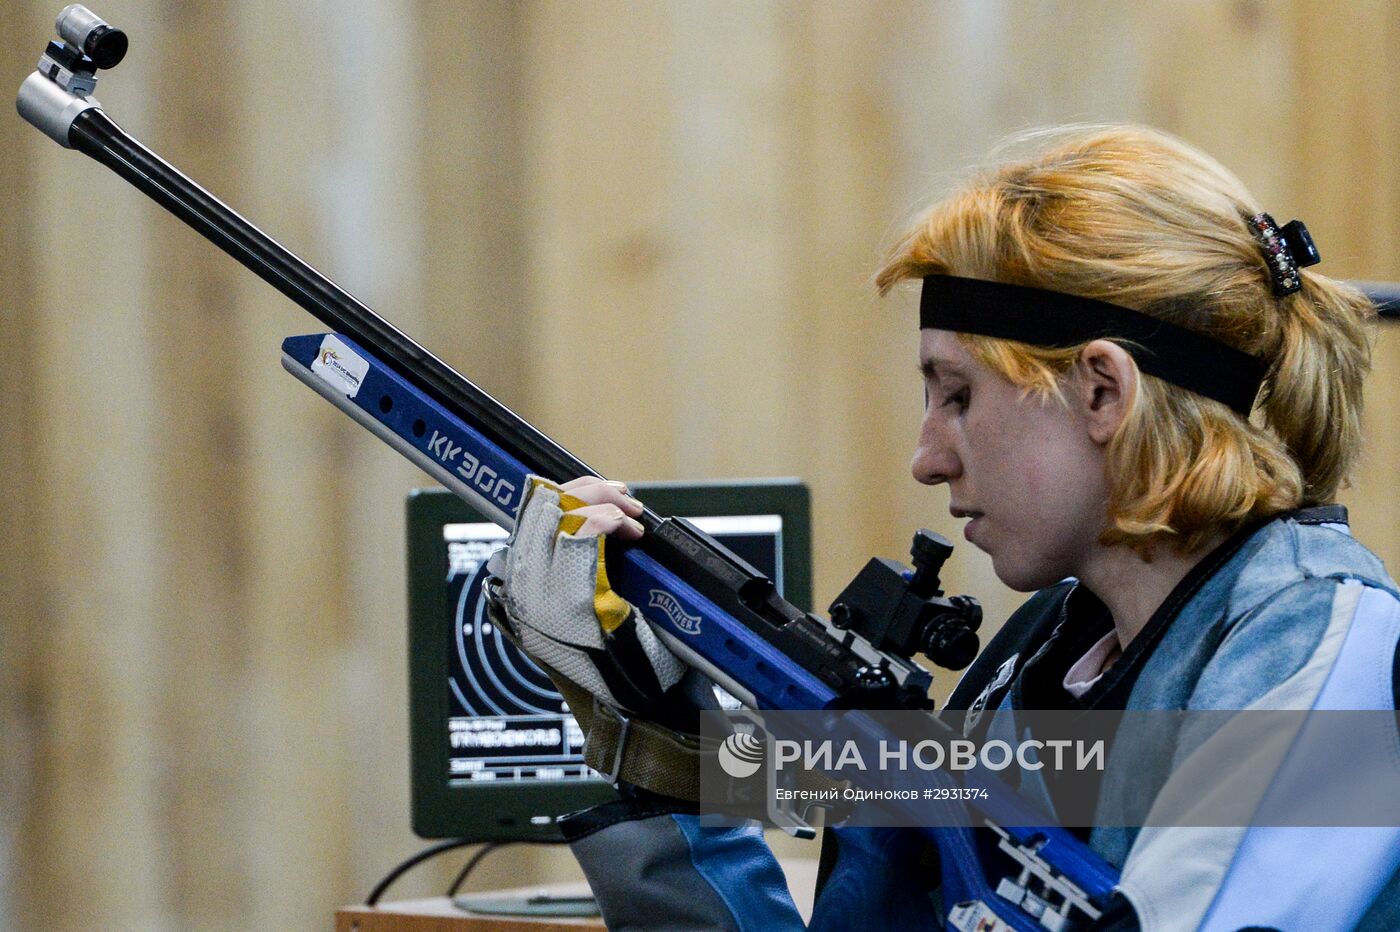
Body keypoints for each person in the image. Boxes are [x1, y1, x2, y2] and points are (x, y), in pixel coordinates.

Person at [484, 125, 1400, 930]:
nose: (928, 457)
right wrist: (652, 725)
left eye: (957, 395)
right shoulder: (1043, 663)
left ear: (1102, 390)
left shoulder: (1326, 638)